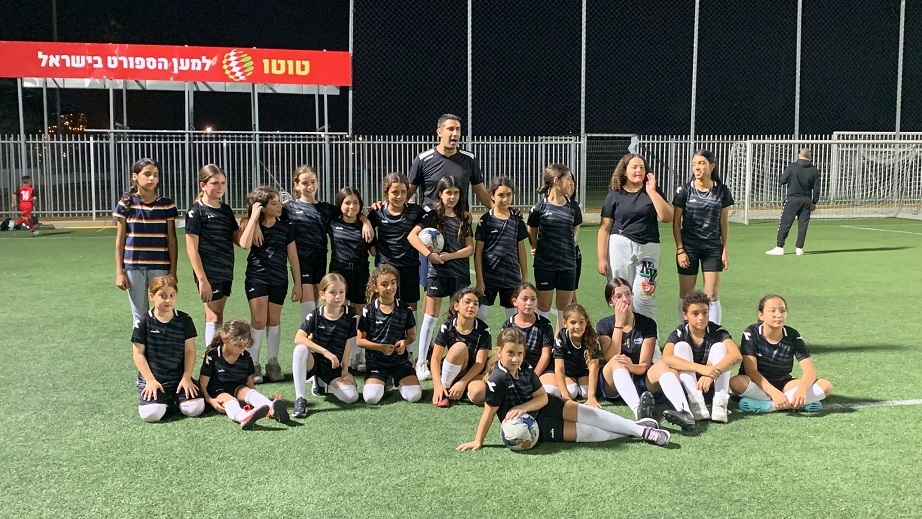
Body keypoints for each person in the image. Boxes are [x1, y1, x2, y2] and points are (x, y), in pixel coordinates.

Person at [457, 328, 671, 450]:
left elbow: (542, 397)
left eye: (519, 353)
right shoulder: (496, 379)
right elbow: (489, 412)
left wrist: (522, 407)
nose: (515, 359)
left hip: (546, 406)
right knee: (586, 432)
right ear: (499, 352)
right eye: (510, 353)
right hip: (536, 424)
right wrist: (478, 441)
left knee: (591, 415)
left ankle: (643, 431)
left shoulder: (525, 368)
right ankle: (632, 431)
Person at [285, 166, 373, 323]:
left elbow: (350, 211)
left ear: (318, 183)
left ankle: (326, 337)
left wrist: (366, 221)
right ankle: (306, 338)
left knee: (321, 309)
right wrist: (247, 220)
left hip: (321, 264)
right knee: (309, 311)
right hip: (302, 263)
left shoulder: (326, 209)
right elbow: (268, 211)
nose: (310, 186)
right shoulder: (289, 208)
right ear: (296, 185)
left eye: (313, 182)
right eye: (305, 183)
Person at [408, 176, 474, 380]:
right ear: (440, 193)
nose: (452, 197)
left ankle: (455, 361)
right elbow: (412, 237)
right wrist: (430, 255)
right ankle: (421, 361)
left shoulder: (464, 217)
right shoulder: (432, 215)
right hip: (437, 272)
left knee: (457, 317)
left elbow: (470, 249)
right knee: (431, 315)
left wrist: (449, 256)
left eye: (456, 193)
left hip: (459, 272)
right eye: (448, 192)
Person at [646, 290, 742, 431]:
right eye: (695, 313)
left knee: (720, 347)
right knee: (681, 346)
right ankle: (696, 402)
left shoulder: (717, 331)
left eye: (705, 312)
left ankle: (720, 403)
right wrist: (701, 369)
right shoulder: (680, 332)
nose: (701, 318)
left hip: (711, 385)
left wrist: (711, 374)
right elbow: (667, 358)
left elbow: (736, 356)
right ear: (685, 315)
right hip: (689, 387)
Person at [237, 186, 302, 384]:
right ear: (262, 207)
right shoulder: (251, 224)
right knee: (258, 321)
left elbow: (293, 256)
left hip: (279, 278)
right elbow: (244, 244)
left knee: (274, 320)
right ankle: (253, 364)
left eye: (279, 202)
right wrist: (254, 219)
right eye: (274, 203)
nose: (279, 206)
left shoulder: (286, 226)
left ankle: (273, 362)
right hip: (257, 277)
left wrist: (298, 283)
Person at [596, 154, 673, 321]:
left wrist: (652, 191)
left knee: (645, 296)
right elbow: (604, 228)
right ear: (624, 171)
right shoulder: (614, 195)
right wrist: (602, 258)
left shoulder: (652, 191)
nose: (639, 170)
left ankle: (649, 335)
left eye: (642, 167)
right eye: (634, 167)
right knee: (621, 295)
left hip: (648, 250)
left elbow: (667, 217)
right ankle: (623, 333)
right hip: (620, 248)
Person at [730, 295, 832, 413]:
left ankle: (770, 406)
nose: (778, 315)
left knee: (826, 385)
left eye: (782, 311)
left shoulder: (793, 335)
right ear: (761, 315)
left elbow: (810, 370)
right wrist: (773, 392)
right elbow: (751, 370)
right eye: (772, 311)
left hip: (783, 383)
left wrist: (802, 390)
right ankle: (798, 403)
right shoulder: (751, 333)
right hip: (757, 383)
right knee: (736, 382)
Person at [367, 172, 426, 358]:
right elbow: (364, 227)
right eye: (394, 192)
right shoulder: (377, 212)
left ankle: (409, 352)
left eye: (403, 192)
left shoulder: (416, 211)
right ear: (386, 193)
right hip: (385, 270)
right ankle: (379, 349)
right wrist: (366, 224)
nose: (399, 196)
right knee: (383, 306)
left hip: (409, 267)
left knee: (409, 307)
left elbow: (435, 215)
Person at [113, 159, 178, 325]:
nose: (151, 178)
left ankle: (160, 342)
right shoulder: (125, 204)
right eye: (147, 174)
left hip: (160, 265)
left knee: (163, 311)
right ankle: (140, 343)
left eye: (155, 175)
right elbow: (120, 240)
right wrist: (119, 272)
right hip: (133, 267)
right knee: (139, 316)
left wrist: (173, 271)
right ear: (135, 176)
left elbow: (172, 240)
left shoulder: (167, 205)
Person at [672, 150, 734, 324]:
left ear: (711, 166)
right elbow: (676, 223)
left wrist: (724, 249)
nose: (697, 167)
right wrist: (680, 250)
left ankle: (713, 334)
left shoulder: (722, 191)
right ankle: (686, 331)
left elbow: (724, 222)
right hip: (689, 248)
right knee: (687, 295)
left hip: (712, 248)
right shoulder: (684, 190)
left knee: (711, 294)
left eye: (701, 163)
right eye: (694, 164)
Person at [131, 276, 204, 422]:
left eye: (172, 295)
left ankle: (172, 399)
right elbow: (138, 354)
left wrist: (187, 377)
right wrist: (150, 381)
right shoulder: (144, 321)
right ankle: (166, 400)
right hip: (154, 378)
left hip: (178, 379)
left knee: (195, 408)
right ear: (152, 296)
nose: (168, 300)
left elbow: (190, 351)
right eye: (162, 296)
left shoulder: (184, 319)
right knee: (152, 415)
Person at [198, 319, 289, 430]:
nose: (241, 350)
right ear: (225, 339)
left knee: (249, 392)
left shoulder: (246, 357)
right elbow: (202, 385)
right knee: (230, 400)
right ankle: (243, 417)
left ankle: (273, 408)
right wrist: (210, 400)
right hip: (217, 390)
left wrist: (253, 399)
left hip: (237, 387)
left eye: (245, 345)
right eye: (237, 345)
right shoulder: (212, 356)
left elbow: (249, 382)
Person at [292, 273, 360, 415]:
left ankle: (322, 381)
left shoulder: (350, 314)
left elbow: (348, 342)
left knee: (352, 397)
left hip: (333, 367)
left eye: (341, 292)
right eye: (332, 292)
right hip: (315, 362)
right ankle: (300, 399)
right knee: (300, 349)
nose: (338, 296)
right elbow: (298, 338)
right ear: (322, 294)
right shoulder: (315, 315)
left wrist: (345, 370)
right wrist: (325, 352)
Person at [356, 264, 422, 405]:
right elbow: (360, 341)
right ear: (375, 287)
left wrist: (404, 342)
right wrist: (380, 347)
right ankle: (383, 379)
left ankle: (395, 378)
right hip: (376, 362)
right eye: (384, 284)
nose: (390, 288)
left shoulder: (405, 309)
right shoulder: (368, 310)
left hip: (399, 361)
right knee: (371, 398)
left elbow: (411, 335)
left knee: (414, 396)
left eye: (393, 283)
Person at [526, 164, 582, 330]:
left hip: (567, 265)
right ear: (557, 181)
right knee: (543, 306)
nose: (572, 183)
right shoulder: (539, 208)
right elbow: (531, 231)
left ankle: (560, 341)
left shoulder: (573, 207)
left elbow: (574, 231)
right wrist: (535, 247)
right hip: (545, 265)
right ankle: (543, 338)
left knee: (564, 307)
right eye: (568, 179)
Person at [328, 186, 376, 371]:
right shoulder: (332, 222)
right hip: (339, 274)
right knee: (338, 313)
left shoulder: (365, 226)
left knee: (360, 315)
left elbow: (374, 252)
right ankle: (337, 356)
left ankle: (357, 357)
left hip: (360, 273)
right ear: (340, 204)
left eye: (356, 203)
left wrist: (366, 221)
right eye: (347, 203)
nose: (352, 206)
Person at [596, 277, 658, 420]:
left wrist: (631, 367)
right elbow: (610, 358)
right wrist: (618, 323)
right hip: (612, 383)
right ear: (611, 302)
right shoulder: (604, 325)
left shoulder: (647, 323)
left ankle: (685, 410)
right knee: (617, 360)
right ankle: (639, 411)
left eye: (628, 294)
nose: (625, 299)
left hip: (639, 376)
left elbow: (644, 364)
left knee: (662, 366)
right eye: (618, 296)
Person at [407, 113, 493, 210]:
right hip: (430, 217)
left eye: (458, 129)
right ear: (439, 132)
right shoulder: (423, 159)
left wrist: (500, 212)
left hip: (459, 217)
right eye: (451, 129)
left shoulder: (469, 159)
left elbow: (481, 193)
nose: (455, 133)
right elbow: (408, 192)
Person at [474, 177, 528, 323]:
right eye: (500, 195)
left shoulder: (517, 220)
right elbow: (478, 253)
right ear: (492, 196)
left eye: (508, 195)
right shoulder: (486, 220)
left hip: (511, 277)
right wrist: (480, 281)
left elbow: (521, 249)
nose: (505, 199)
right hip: (489, 278)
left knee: (514, 317)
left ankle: (512, 338)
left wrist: (524, 275)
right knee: (480, 316)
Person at [430, 288, 492, 408]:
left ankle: (460, 391)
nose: (471, 306)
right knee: (459, 347)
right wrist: (437, 385)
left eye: (475, 304)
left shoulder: (484, 330)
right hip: (455, 368)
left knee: (478, 393)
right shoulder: (447, 327)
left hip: (472, 374)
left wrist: (462, 383)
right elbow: (435, 358)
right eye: (467, 302)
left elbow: (480, 363)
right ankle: (445, 389)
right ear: (456, 306)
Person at [501, 282, 558, 395]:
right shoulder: (508, 325)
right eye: (525, 299)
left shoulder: (545, 325)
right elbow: (506, 354)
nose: (529, 303)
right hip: (516, 367)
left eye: (533, 299)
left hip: (540, 369)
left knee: (550, 391)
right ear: (515, 301)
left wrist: (533, 377)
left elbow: (545, 356)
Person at [766, 148, 820, 256]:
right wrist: (814, 201)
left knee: (785, 223)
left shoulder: (792, 167)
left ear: (799, 155)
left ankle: (779, 247)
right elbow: (817, 188)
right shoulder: (814, 170)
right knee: (803, 225)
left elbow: (782, 180)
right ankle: (799, 248)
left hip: (792, 199)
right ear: (810, 157)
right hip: (806, 200)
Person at [553, 303, 603, 407]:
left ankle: (583, 388)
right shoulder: (561, 338)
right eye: (573, 322)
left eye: (581, 322)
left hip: (583, 371)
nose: (578, 327)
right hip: (568, 372)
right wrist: (565, 395)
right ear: (565, 323)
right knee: (571, 391)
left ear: (586, 322)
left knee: (586, 393)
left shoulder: (592, 337)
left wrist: (591, 396)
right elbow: (559, 368)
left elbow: (593, 367)